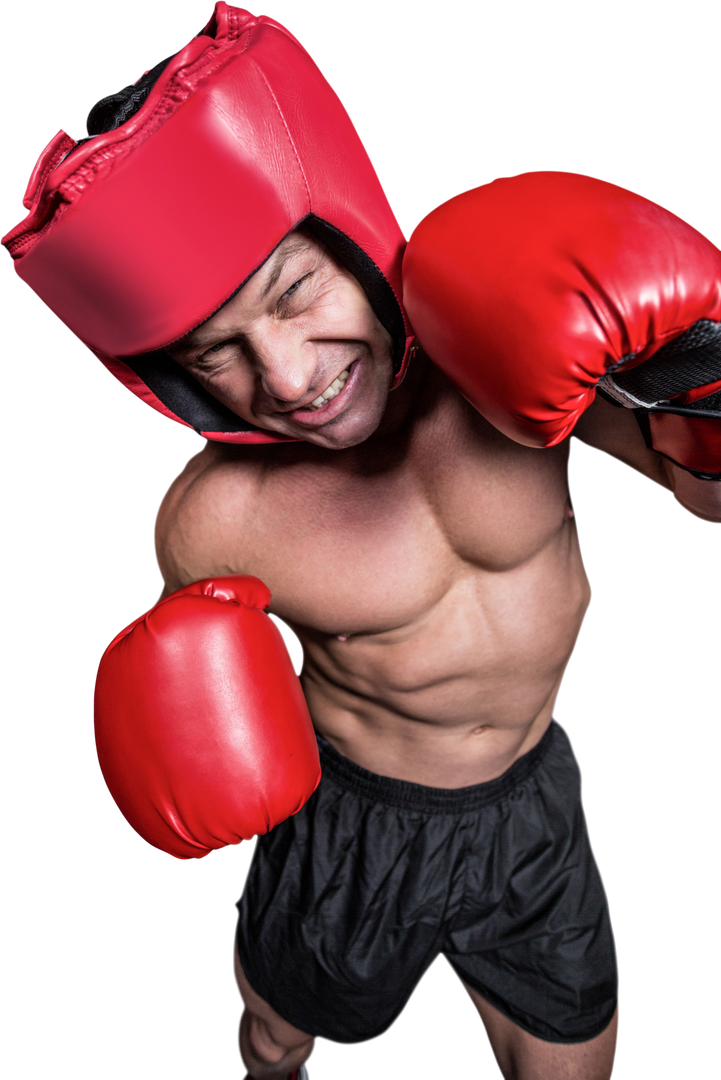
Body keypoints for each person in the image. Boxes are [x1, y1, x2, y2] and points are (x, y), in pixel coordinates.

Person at [3, 5, 719, 1080]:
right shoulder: (214, 521)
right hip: (355, 828)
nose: (288, 378)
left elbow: (702, 492)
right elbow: (210, 709)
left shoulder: (506, 359)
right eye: (219, 354)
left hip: (533, 803)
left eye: (296, 295)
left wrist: (700, 367)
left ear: (352, 235)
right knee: (273, 1036)